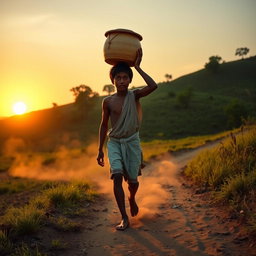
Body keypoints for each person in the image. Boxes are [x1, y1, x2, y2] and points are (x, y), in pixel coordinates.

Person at [97, 48, 157, 230]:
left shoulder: (135, 95)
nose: (121, 81)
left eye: (125, 77)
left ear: (130, 80)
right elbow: (104, 125)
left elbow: (153, 86)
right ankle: (124, 217)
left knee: (133, 182)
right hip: (114, 142)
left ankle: (131, 198)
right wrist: (100, 149)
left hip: (131, 142)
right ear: (113, 80)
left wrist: (137, 67)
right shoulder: (108, 101)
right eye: (118, 78)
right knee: (116, 176)